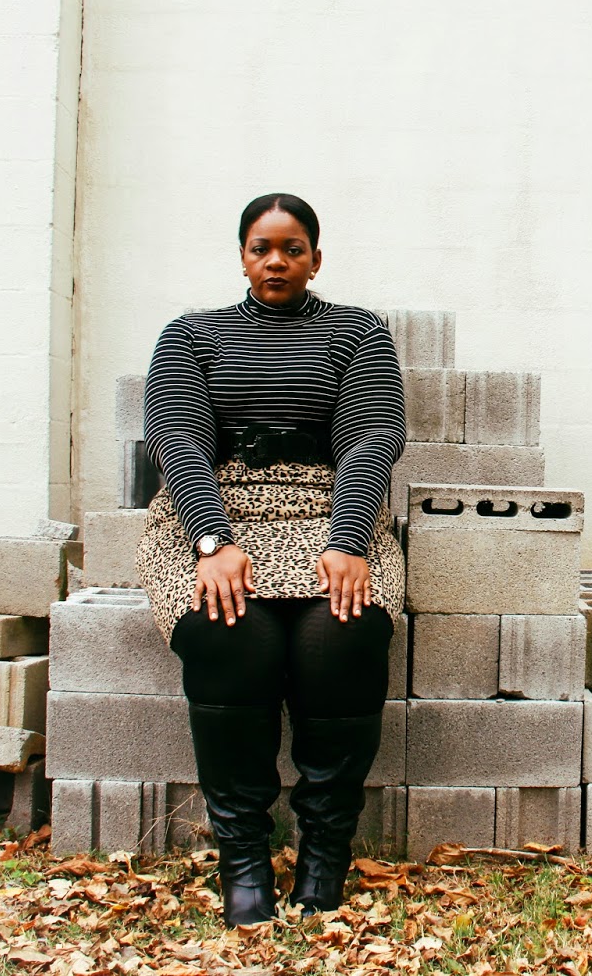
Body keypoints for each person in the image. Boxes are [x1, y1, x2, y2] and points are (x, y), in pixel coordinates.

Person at [134, 193, 406, 925]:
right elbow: (177, 439)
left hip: (328, 510)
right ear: (242, 256)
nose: (276, 261)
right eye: (262, 248)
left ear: (316, 258)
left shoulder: (357, 333)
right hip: (214, 512)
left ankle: (324, 856)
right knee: (229, 633)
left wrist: (348, 540)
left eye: (292, 248)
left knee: (343, 634)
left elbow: (373, 437)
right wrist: (211, 541)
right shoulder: (191, 335)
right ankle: (244, 859)